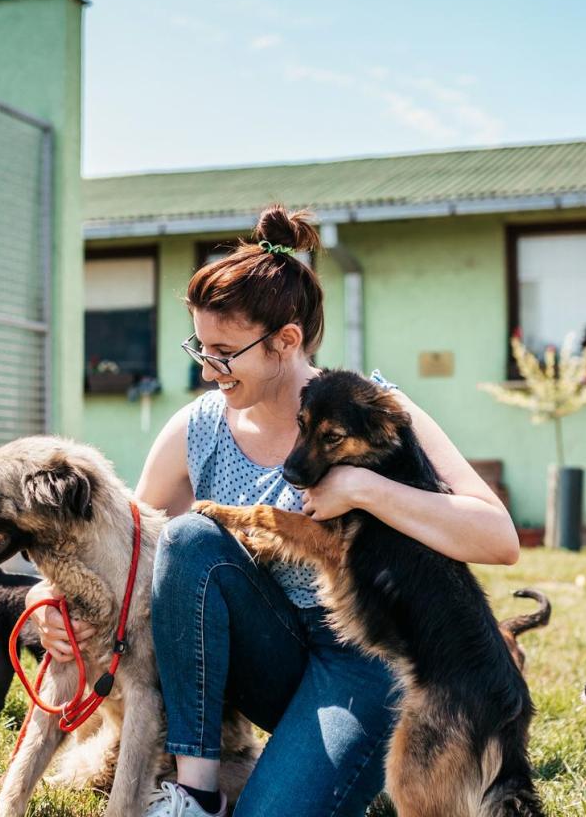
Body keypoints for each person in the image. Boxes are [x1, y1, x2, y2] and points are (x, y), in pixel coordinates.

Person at [27, 205, 519, 817]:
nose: (207, 369)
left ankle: (336, 769)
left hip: (363, 662)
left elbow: (498, 537)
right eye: (200, 347)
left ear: (286, 341)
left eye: (225, 351)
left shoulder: (372, 407)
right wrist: (43, 605)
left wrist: (364, 490)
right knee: (187, 538)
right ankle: (194, 791)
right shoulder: (198, 428)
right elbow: (118, 550)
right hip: (260, 653)